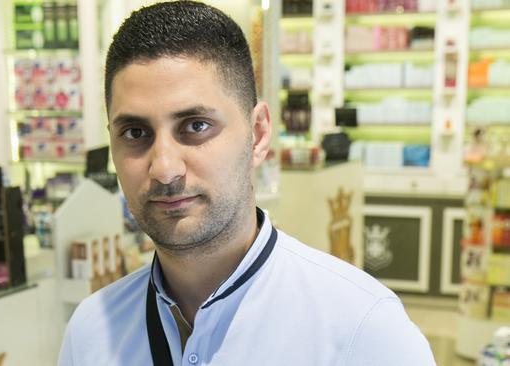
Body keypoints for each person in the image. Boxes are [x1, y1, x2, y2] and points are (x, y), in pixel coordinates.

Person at [58, 2, 436, 365]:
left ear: (257, 134)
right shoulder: (92, 331)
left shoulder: (363, 329)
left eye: (195, 126)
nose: (165, 169)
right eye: (136, 132)